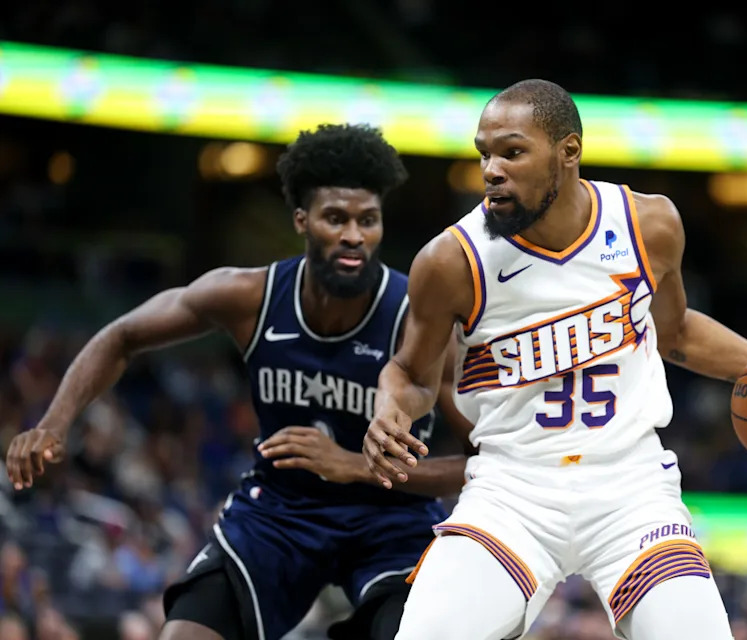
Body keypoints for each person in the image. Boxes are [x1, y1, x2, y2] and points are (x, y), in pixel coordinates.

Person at [364, 79, 747, 640]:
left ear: (568, 152)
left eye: (512, 152)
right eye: (485, 154)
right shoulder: (451, 259)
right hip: (512, 492)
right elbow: (410, 373)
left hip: (631, 489)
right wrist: (390, 409)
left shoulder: (647, 224)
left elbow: (676, 333)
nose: (492, 170)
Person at [5, 123, 473, 640]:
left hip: (391, 519)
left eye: (368, 220)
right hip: (280, 512)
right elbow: (121, 337)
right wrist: (53, 424)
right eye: (335, 218)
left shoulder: (419, 322)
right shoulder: (250, 296)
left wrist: (355, 466)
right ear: (302, 220)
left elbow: (482, 463)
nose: (353, 236)